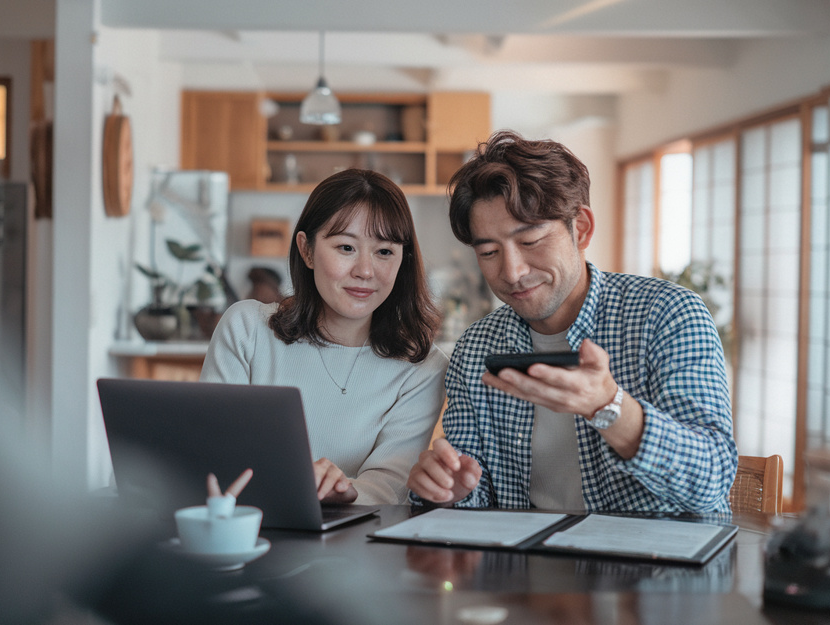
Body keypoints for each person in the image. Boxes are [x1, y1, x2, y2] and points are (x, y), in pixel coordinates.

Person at [407, 130, 737, 513]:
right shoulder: (476, 349)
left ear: (580, 229)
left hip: (651, 551)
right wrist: (449, 489)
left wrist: (608, 406)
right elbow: (472, 492)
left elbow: (712, 483)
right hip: (523, 552)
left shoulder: (668, 315)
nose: (512, 272)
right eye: (489, 252)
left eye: (530, 242)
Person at [201, 169, 447, 505]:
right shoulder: (246, 330)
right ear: (307, 250)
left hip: (361, 535)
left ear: (403, 260)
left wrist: (343, 490)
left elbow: (390, 486)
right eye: (346, 247)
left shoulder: (423, 368)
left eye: (384, 252)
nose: (365, 271)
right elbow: (211, 453)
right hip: (248, 525)